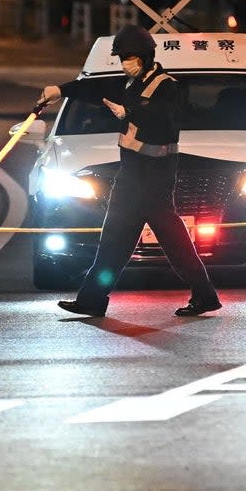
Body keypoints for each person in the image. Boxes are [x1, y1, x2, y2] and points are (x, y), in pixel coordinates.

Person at [37, 24, 222, 318]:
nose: (126, 63)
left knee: (170, 243)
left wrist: (130, 113)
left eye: (131, 57)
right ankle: (93, 298)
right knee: (114, 242)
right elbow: (94, 88)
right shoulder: (129, 84)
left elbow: (165, 119)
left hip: (154, 179)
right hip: (131, 177)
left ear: (147, 57)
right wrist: (59, 90)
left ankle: (204, 294)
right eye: (122, 58)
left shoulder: (166, 86)